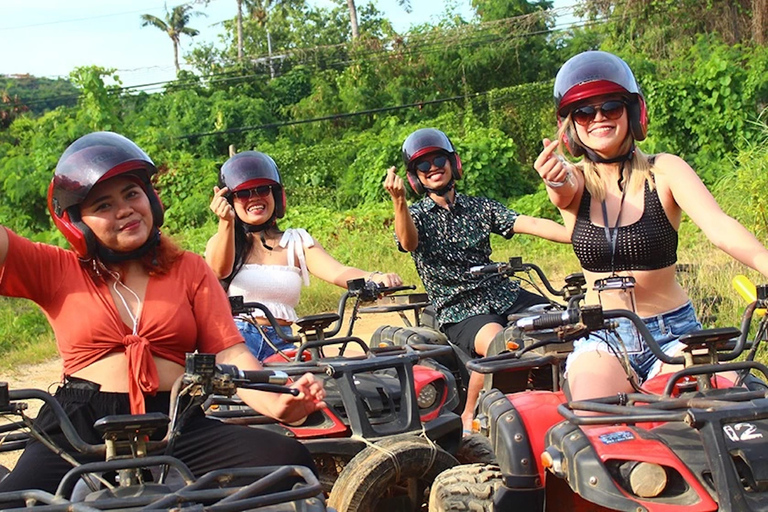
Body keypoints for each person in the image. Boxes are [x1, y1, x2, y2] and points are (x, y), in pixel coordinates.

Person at [0, 132, 326, 496]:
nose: (123, 209)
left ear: (151, 200)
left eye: (131, 194)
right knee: (16, 499)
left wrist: (277, 402)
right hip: (79, 422)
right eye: (103, 205)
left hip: (174, 419)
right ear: (77, 221)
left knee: (291, 465)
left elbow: (229, 352)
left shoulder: (188, 269)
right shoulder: (57, 268)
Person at [534, 50, 768, 401]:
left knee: (719, 417)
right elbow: (563, 188)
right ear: (571, 128)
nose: (598, 118)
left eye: (610, 107)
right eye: (583, 112)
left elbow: (719, 227)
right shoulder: (577, 181)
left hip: (674, 331)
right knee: (593, 422)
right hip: (604, 336)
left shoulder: (665, 171)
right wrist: (554, 178)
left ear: (633, 113)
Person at [384, 127, 571, 433]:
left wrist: (577, 234)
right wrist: (399, 202)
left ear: (453, 163)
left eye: (438, 159)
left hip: (501, 293)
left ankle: (554, 402)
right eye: (423, 164)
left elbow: (529, 223)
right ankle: (470, 419)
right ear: (415, 176)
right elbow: (408, 243)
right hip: (460, 308)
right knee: (501, 345)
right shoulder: (415, 215)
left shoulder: (479, 207)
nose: (433, 168)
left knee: (564, 325)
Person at [206, 150, 402, 361]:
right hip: (238, 341)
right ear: (230, 201)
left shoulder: (296, 241)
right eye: (244, 194)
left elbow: (337, 271)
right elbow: (219, 270)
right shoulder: (224, 241)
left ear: (277, 196)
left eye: (262, 190)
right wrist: (226, 222)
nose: (254, 198)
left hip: (284, 342)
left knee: (360, 363)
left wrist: (375, 278)